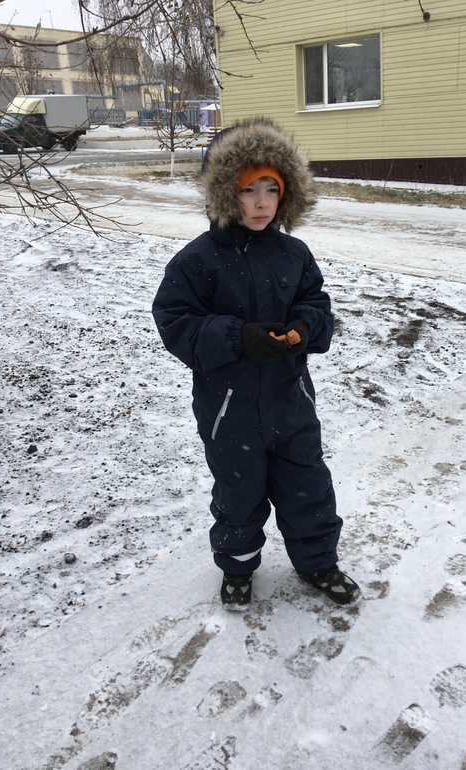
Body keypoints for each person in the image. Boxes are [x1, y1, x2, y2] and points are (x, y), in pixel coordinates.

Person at [152, 118, 361, 611]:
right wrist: (236, 337)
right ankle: (238, 566)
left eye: (272, 189)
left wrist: (305, 328)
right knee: (238, 492)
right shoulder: (197, 260)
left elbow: (316, 304)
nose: (262, 202)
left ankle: (318, 562)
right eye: (248, 190)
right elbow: (174, 321)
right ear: (225, 192)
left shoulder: (294, 254)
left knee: (307, 485)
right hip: (229, 409)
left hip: (291, 401)